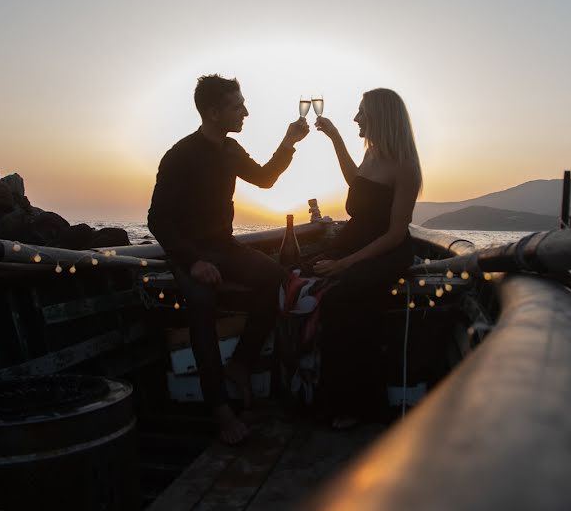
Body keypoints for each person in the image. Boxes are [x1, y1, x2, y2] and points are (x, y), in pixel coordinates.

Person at [148, 74, 309, 444]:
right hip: (190, 253)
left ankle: (241, 363)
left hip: (224, 247)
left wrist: (288, 141)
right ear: (213, 111)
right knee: (201, 304)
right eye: (238, 106)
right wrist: (192, 262)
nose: (246, 112)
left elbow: (265, 179)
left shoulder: (231, 150)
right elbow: (157, 219)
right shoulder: (179, 156)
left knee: (277, 278)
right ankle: (221, 411)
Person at [312, 88, 422, 429]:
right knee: (302, 278)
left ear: (380, 117)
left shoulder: (405, 168)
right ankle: (325, 395)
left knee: (341, 300)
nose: (356, 118)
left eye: (361, 113)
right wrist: (334, 138)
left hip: (385, 251)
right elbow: (354, 182)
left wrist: (345, 264)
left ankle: (358, 407)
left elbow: (394, 234)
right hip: (355, 245)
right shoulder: (372, 155)